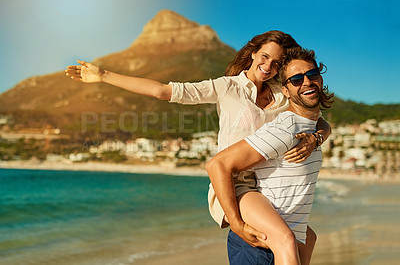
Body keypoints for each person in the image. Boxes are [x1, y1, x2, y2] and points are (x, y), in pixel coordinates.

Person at [65, 31, 330, 261]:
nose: (268, 65)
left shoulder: (283, 92)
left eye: (275, 62)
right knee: (282, 242)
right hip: (236, 187)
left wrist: (316, 137)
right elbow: (163, 91)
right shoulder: (226, 87)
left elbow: (317, 121)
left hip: (269, 189)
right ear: (252, 53)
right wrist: (103, 75)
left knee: (307, 238)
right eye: (264, 56)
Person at [206, 47, 334, 264]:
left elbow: (321, 123)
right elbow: (217, 164)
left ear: (320, 78)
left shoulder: (313, 128)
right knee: (287, 239)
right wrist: (236, 224)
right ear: (285, 91)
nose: (307, 82)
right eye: (296, 79)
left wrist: (319, 136)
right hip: (258, 244)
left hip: (286, 239)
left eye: (312, 74)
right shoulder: (287, 128)